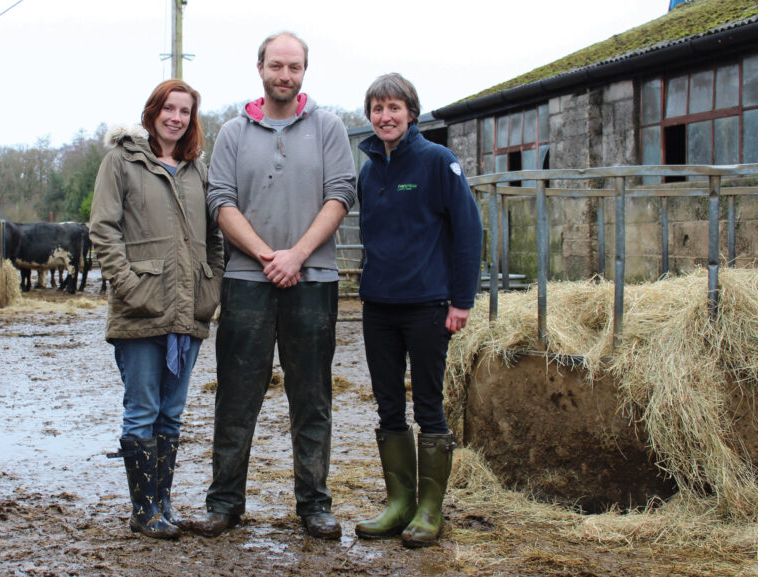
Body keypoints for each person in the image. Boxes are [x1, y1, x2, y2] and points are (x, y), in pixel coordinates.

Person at [190, 31, 356, 540]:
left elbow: (341, 195)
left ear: (305, 71)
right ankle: (223, 503)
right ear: (259, 67)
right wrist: (267, 256)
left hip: (314, 281)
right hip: (247, 281)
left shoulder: (329, 128)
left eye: (295, 67)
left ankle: (314, 504)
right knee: (237, 396)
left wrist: (297, 256)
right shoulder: (233, 133)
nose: (285, 75)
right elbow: (220, 201)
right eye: (277, 65)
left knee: (312, 396)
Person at [89, 79, 223, 540]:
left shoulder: (198, 170)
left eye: (185, 111)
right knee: (143, 409)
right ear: (153, 111)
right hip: (141, 309)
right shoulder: (121, 162)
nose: (176, 118)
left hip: (188, 311)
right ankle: (143, 509)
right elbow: (103, 229)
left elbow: (216, 236)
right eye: (169, 108)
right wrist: (127, 285)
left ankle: (163, 503)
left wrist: (213, 285)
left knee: (172, 413)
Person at [352, 73, 482, 547]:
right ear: (370, 115)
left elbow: (469, 233)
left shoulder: (437, 161)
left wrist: (462, 300)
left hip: (427, 305)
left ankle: (430, 509)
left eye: (394, 108)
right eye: (378, 109)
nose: (385, 117)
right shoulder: (369, 171)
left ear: (411, 112)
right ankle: (398, 503)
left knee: (428, 404)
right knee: (388, 404)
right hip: (378, 306)